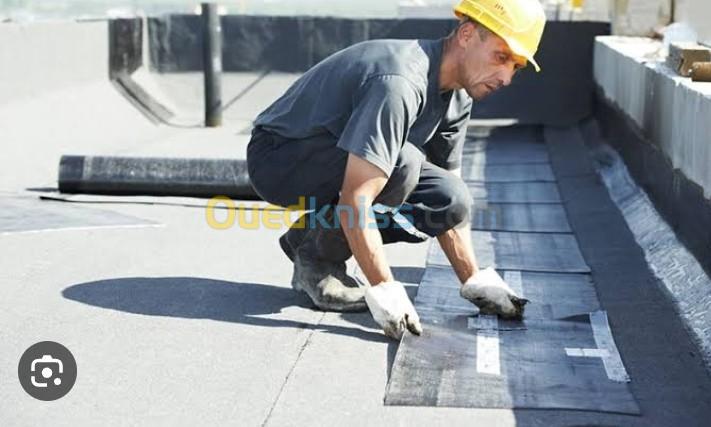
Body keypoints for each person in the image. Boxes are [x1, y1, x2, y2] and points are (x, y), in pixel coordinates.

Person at [247, 0, 546, 339]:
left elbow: (448, 195)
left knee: (449, 198)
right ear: (466, 35)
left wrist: (473, 279)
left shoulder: (459, 97)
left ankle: (309, 236)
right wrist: (384, 286)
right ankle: (317, 263)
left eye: (516, 66)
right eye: (501, 56)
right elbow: (358, 195)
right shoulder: (401, 81)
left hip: (337, 161)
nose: (507, 77)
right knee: (401, 166)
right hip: (280, 156)